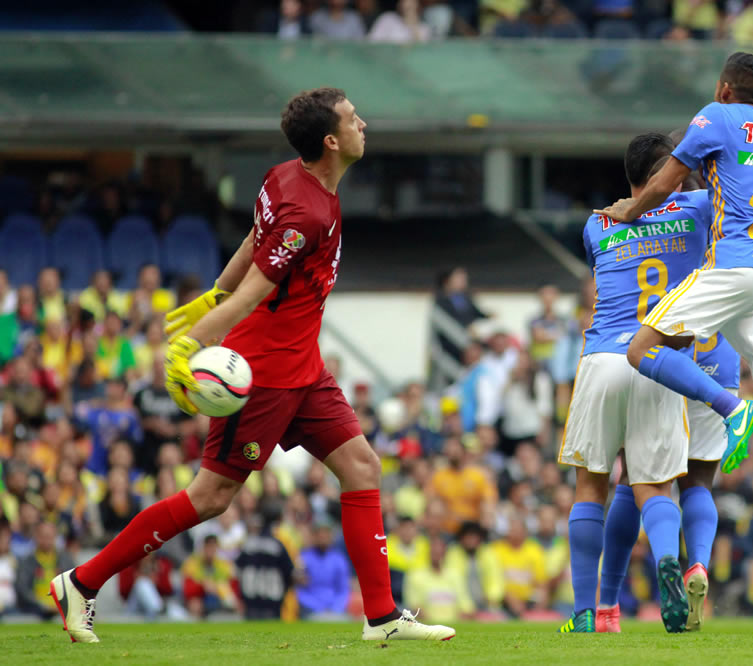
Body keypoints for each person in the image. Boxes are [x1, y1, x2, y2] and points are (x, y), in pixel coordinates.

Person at [49, 88, 454, 643]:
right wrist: (191, 343)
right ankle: (82, 581)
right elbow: (253, 293)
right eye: (353, 118)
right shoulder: (305, 212)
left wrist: (213, 292)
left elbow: (250, 240)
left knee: (362, 467)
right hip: (261, 375)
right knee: (210, 498)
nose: (365, 122)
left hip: (304, 368)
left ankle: (381, 618)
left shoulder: (286, 176)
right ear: (332, 141)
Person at [595, 52, 753, 553]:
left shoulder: (717, 115)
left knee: (642, 349)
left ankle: (732, 410)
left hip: (736, 263)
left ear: (724, 88)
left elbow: (664, 180)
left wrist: (628, 210)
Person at [558, 131, 739, 634]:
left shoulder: (598, 223)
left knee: (591, 485)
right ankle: (668, 562)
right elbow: (721, 190)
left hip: (602, 359)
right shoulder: (701, 208)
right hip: (659, 360)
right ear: (671, 172)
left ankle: (584, 614)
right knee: (656, 487)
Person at [235, 514, 295, 620]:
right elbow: (289, 571)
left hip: (251, 599)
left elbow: (237, 570)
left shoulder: (247, 544)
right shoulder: (277, 544)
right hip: (273, 599)